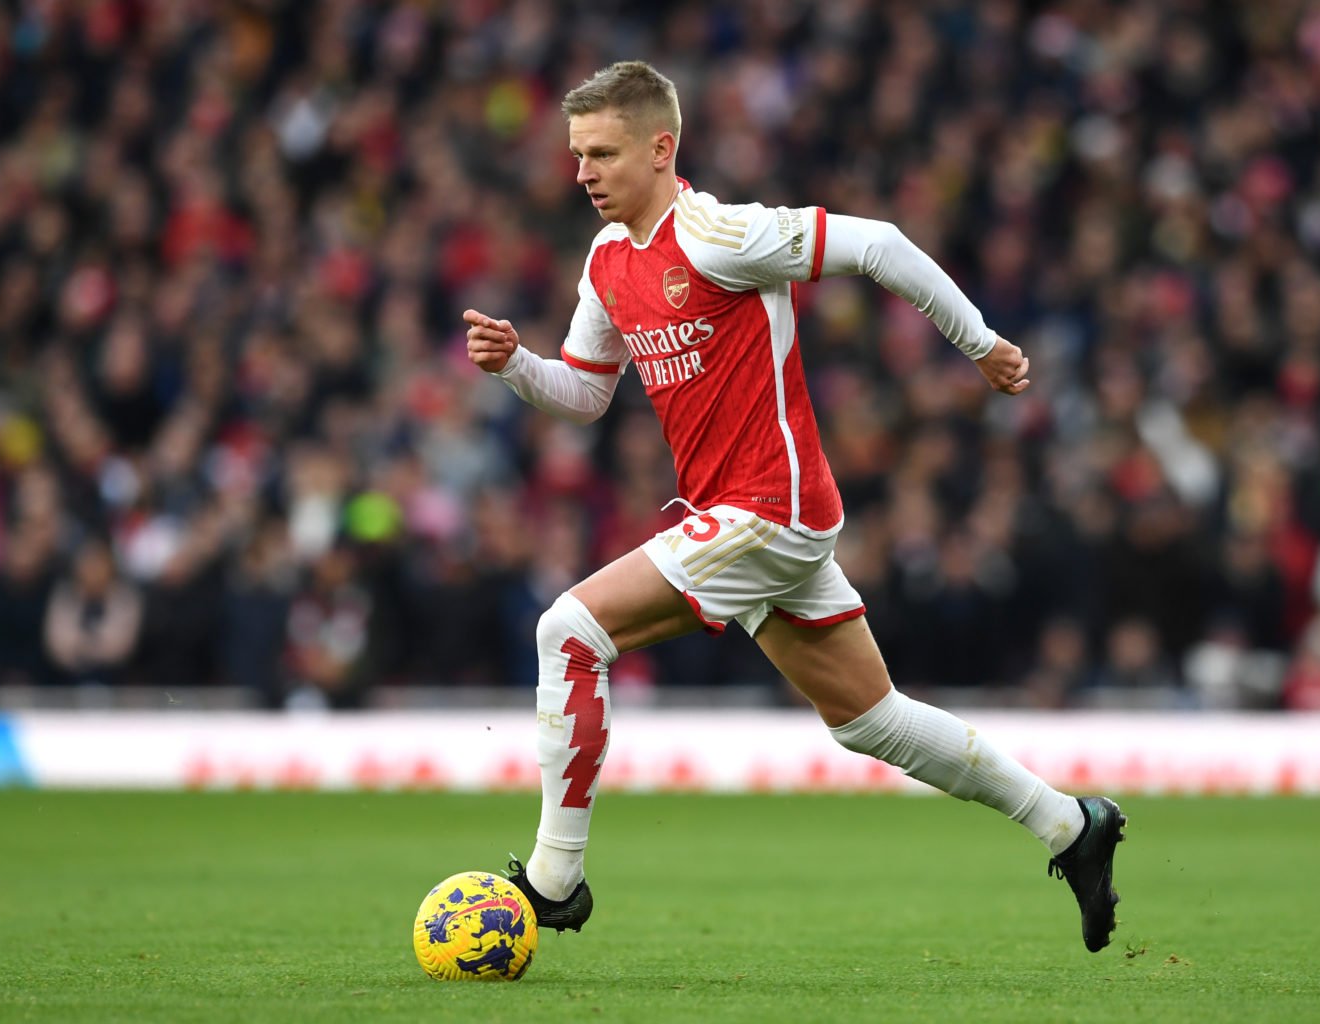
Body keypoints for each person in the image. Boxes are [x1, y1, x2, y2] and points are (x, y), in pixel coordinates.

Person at [464, 61, 1126, 953]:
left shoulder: (721, 234)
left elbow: (881, 243)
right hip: (741, 517)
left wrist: (982, 345)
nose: (583, 172)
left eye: (604, 153)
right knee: (871, 720)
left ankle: (554, 882)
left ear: (662, 149)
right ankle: (1070, 826)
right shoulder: (608, 259)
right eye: (578, 154)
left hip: (766, 510)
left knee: (568, 630)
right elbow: (583, 393)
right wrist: (514, 366)